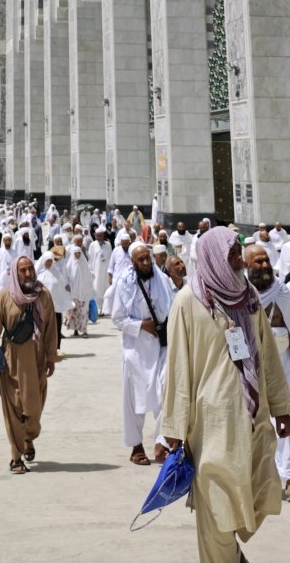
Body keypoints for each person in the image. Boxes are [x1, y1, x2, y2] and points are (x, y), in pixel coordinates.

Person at [162, 226, 290, 562]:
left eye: (238, 253)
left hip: (253, 418)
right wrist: (174, 427)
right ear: (214, 258)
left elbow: (267, 354)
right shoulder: (188, 301)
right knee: (215, 505)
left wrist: (281, 406)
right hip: (210, 425)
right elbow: (177, 367)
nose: (240, 261)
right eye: (232, 254)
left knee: (259, 492)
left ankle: (230, 554)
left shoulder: (249, 297)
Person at [0, 254, 57, 472]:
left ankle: (28, 437)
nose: (28, 274)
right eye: (22, 270)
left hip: (36, 361)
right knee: (13, 409)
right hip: (11, 361)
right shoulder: (5, 296)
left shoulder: (43, 296)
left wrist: (51, 357)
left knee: (33, 410)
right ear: (15, 273)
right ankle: (16, 457)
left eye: (30, 269)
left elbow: (51, 328)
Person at [111, 242, 172, 466]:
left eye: (148, 258)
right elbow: (118, 318)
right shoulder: (124, 283)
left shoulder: (162, 280)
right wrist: (142, 325)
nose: (146, 263)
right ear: (132, 261)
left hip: (161, 347)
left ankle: (162, 442)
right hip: (135, 349)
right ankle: (136, 446)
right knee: (134, 399)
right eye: (141, 259)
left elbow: (172, 308)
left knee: (165, 392)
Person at [245, 242, 290, 499]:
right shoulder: (240, 295)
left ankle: (288, 475)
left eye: (266, 261)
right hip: (250, 372)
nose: (264, 266)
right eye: (258, 262)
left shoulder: (283, 293)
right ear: (246, 266)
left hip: (283, 370)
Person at [63, 236, 94, 338]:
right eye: (75, 253)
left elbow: (89, 278)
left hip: (84, 294)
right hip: (73, 293)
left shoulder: (84, 265)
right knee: (74, 313)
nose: (77, 255)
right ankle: (75, 329)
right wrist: (67, 285)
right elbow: (66, 277)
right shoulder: (69, 265)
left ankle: (84, 330)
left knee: (84, 312)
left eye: (79, 253)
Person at [88, 226, 112, 310]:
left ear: (103, 235)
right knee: (97, 288)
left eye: (101, 235)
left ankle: (106, 308)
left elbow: (110, 258)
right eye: (98, 236)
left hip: (106, 271)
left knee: (106, 288)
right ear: (95, 236)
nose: (99, 237)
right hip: (96, 271)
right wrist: (90, 271)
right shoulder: (92, 245)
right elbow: (90, 259)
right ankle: (98, 308)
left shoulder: (108, 244)